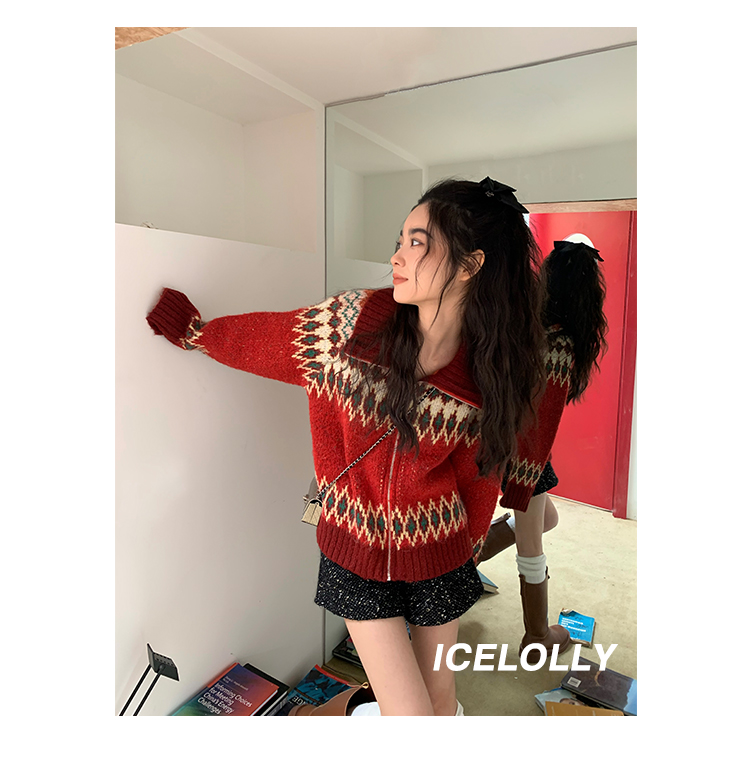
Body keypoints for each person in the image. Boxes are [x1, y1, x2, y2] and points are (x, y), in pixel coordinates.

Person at [145, 177, 547, 716]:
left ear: (471, 265)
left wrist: (470, 546)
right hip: (356, 548)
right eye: (401, 240)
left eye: (417, 242)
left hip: (441, 550)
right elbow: (269, 339)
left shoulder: (488, 368)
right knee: (410, 715)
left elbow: (480, 476)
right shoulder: (351, 327)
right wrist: (197, 334)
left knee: (440, 700)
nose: (396, 256)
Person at [476, 238, 608, 661]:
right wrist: (523, 480)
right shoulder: (560, 344)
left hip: (505, 441)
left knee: (546, 518)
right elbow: (540, 420)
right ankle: (536, 636)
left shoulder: (528, 325)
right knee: (531, 543)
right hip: (523, 455)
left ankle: (464, 565)